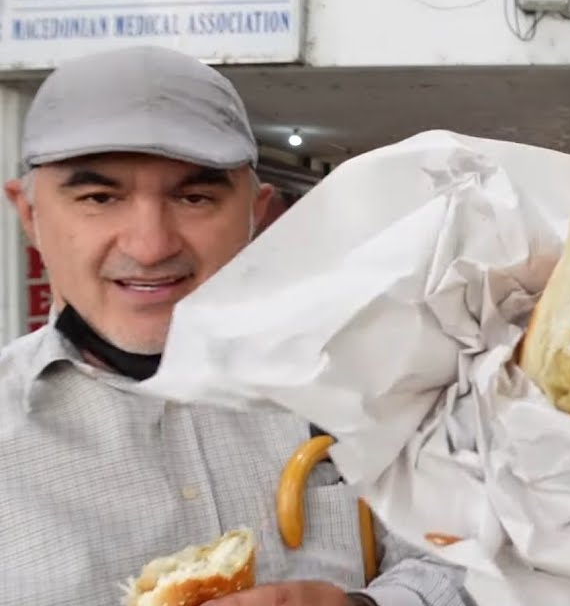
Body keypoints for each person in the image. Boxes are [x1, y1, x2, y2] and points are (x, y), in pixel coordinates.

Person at [0, 45, 468, 606]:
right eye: (100, 197)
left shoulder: (365, 374)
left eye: (194, 196)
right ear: (29, 213)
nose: (151, 247)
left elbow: (470, 558)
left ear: (257, 214)